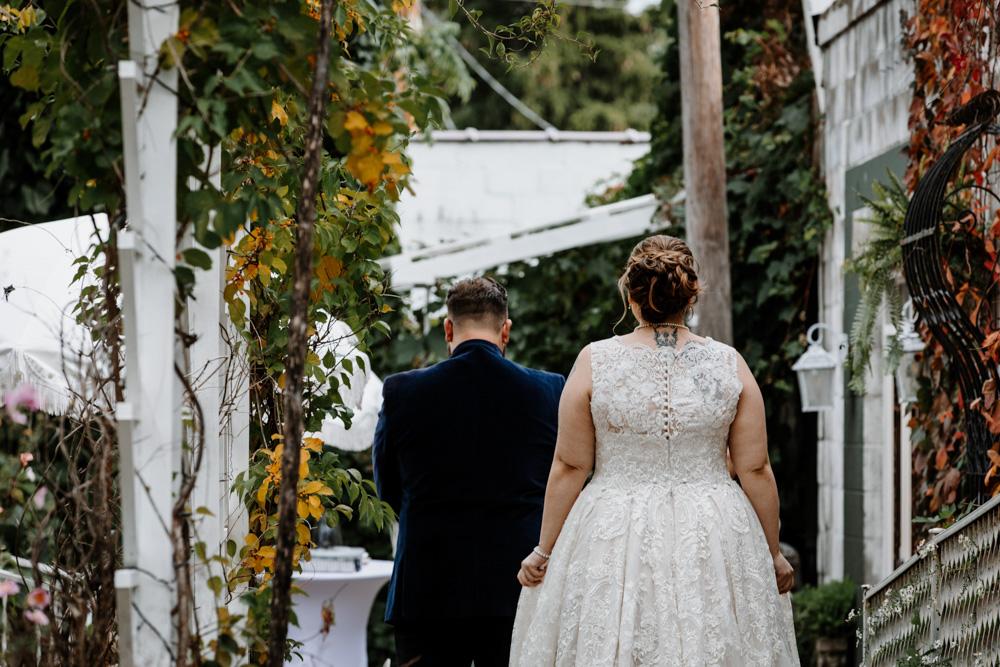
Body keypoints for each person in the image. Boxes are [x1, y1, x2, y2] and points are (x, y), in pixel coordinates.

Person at [510, 235, 799, 666]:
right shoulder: (729, 363)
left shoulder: (595, 360)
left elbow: (571, 465)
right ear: (691, 294)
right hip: (715, 530)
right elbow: (754, 467)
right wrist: (772, 553)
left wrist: (545, 549)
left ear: (630, 294)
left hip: (612, 529)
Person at [373, 277, 565, 667]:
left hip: (427, 587)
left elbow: (387, 487)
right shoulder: (548, 392)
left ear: (448, 328)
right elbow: (558, 481)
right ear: (506, 330)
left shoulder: (402, 392)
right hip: (516, 585)